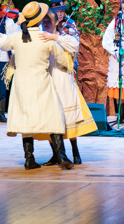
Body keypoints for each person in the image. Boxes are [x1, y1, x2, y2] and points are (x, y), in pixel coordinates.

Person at [0, 1, 72, 170]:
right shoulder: (45, 38)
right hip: (41, 82)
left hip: (22, 84)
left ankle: (29, 159)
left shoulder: (17, 38)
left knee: (26, 118)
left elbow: (0, 43)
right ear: (40, 20)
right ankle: (61, 155)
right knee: (53, 115)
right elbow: (65, 60)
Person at [34, 10, 97, 165]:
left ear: (57, 22)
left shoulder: (65, 38)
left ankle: (75, 151)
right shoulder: (40, 38)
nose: (47, 23)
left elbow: (75, 45)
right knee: (49, 119)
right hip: (46, 80)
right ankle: (56, 154)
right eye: (45, 21)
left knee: (69, 117)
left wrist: (54, 37)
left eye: (50, 20)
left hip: (62, 79)